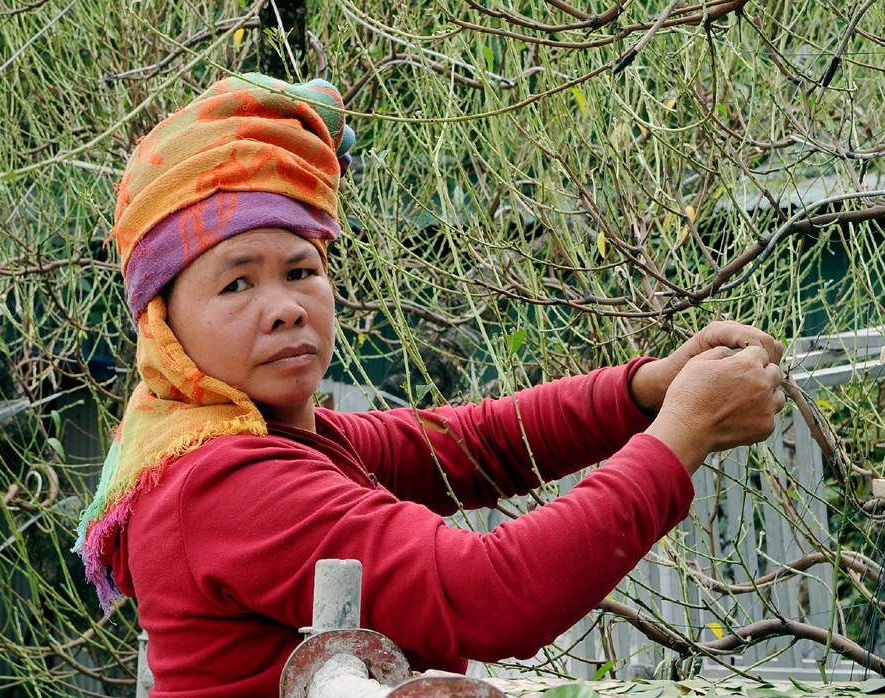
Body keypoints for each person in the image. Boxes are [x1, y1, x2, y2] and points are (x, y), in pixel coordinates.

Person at [74, 73, 786, 698]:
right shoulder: (226, 483)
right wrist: (682, 435)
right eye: (237, 282)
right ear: (163, 326)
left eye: (300, 270)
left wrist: (646, 391)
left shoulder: (273, 438)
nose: (286, 305)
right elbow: (489, 597)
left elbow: (478, 443)